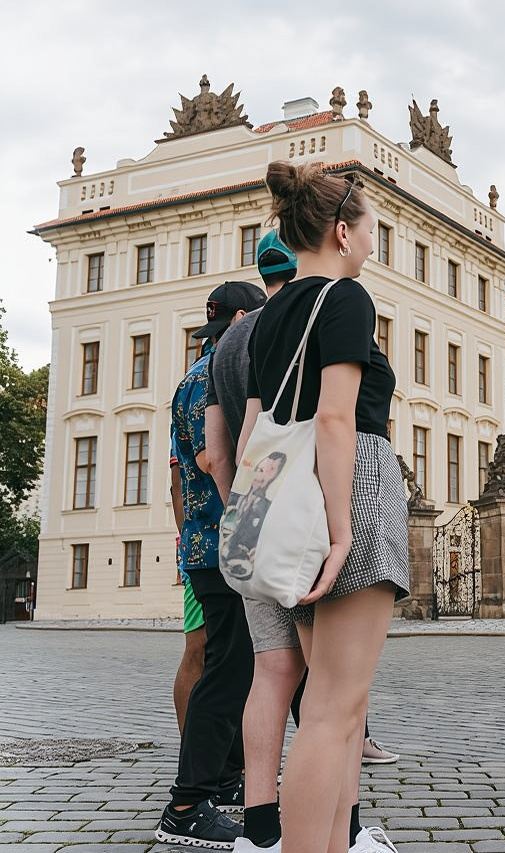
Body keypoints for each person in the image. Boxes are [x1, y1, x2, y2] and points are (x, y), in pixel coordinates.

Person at [210, 234, 397, 853]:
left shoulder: (239, 336)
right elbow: (336, 418)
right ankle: (332, 834)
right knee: (333, 704)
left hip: (262, 511)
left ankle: (263, 825)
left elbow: (226, 452)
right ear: (337, 235)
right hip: (327, 496)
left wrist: (242, 513)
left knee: (275, 674)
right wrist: (339, 525)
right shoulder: (337, 302)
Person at [156, 282, 266, 849]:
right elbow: (207, 457)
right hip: (226, 540)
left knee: (231, 666)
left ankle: (221, 782)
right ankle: (186, 804)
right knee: (226, 673)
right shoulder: (215, 378)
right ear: (244, 320)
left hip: (204, 543)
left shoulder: (189, 377)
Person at [171, 456, 205, 737]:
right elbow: (177, 488)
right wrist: (188, 542)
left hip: (216, 545)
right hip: (202, 550)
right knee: (197, 647)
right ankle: (190, 747)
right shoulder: (187, 411)